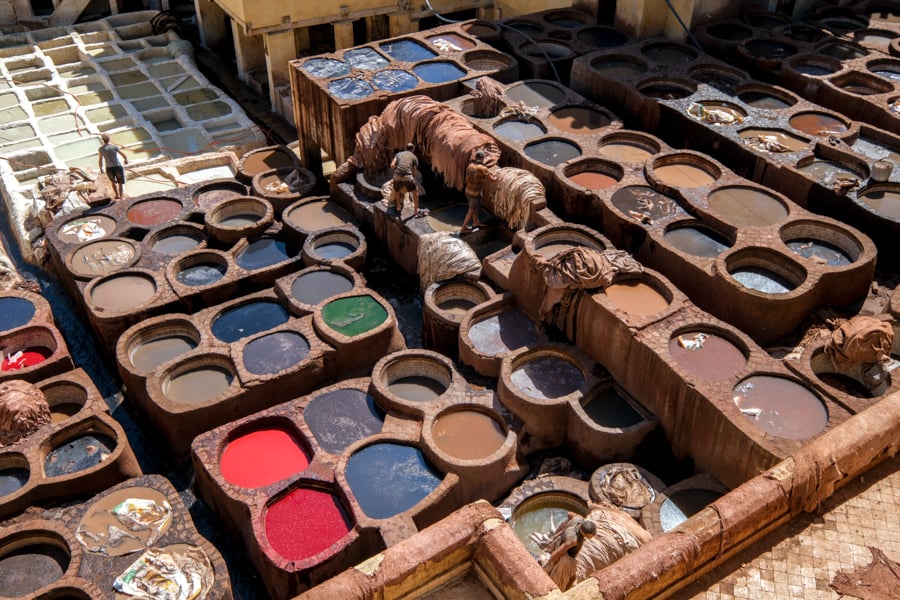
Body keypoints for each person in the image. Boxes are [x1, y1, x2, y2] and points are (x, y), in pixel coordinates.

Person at [539, 514, 597, 591]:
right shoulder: (572, 541)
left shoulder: (578, 519)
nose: (593, 536)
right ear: (584, 533)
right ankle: (564, 592)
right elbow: (554, 555)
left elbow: (569, 514)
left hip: (561, 542)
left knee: (573, 577)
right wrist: (557, 564)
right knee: (572, 578)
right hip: (565, 556)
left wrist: (564, 527)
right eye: (591, 536)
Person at [460, 149, 496, 234]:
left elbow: (466, 178)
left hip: (468, 191)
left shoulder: (470, 166)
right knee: (471, 210)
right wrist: (496, 177)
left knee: (474, 208)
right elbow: (492, 179)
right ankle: (463, 228)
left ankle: (475, 222)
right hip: (475, 193)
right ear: (483, 158)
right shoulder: (483, 168)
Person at [390, 143, 426, 217]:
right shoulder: (414, 157)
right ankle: (416, 210)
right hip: (407, 176)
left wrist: (398, 171)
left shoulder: (398, 154)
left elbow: (392, 165)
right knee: (415, 191)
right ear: (413, 149)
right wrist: (411, 178)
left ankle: (398, 207)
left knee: (397, 190)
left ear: (405, 148)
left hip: (397, 175)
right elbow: (414, 172)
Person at [97, 133, 128, 199]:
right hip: (118, 166)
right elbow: (124, 155)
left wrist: (101, 168)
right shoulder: (114, 147)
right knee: (120, 183)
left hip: (109, 168)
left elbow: (100, 160)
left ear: (103, 140)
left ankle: (117, 195)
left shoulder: (101, 149)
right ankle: (121, 197)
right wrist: (125, 160)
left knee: (113, 182)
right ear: (109, 139)